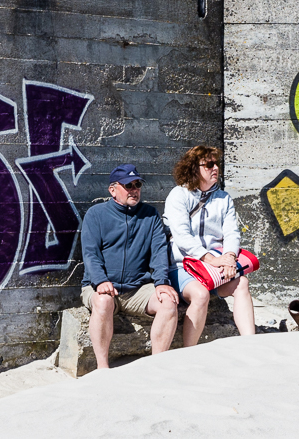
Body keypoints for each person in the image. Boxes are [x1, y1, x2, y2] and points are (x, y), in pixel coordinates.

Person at [80, 163, 179, 368]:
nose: (134, 190)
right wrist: (100, 281)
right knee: (103, 302)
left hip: (137, 289)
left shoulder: (150, 215)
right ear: (113, 190)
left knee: (168, 303)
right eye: (128, 185)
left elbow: (159, 251)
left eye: (137, 185)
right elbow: (90, 253)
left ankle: (157, 366)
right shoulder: (95, 214)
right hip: (101, 286)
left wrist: (161, 282)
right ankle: (102, 368)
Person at [163, 145, 258, 345]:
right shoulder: (178, 195)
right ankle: (189, 351)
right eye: (208, 164)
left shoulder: (223, 198)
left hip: (214, 268)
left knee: (242, 284)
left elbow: (232, 232)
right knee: (200, 294)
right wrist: (212, 259)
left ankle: (250, 344)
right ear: (193, 168)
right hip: (183, 266)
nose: (215, 168)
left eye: (216, 163)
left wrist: (229, 257)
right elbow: (182, 236)